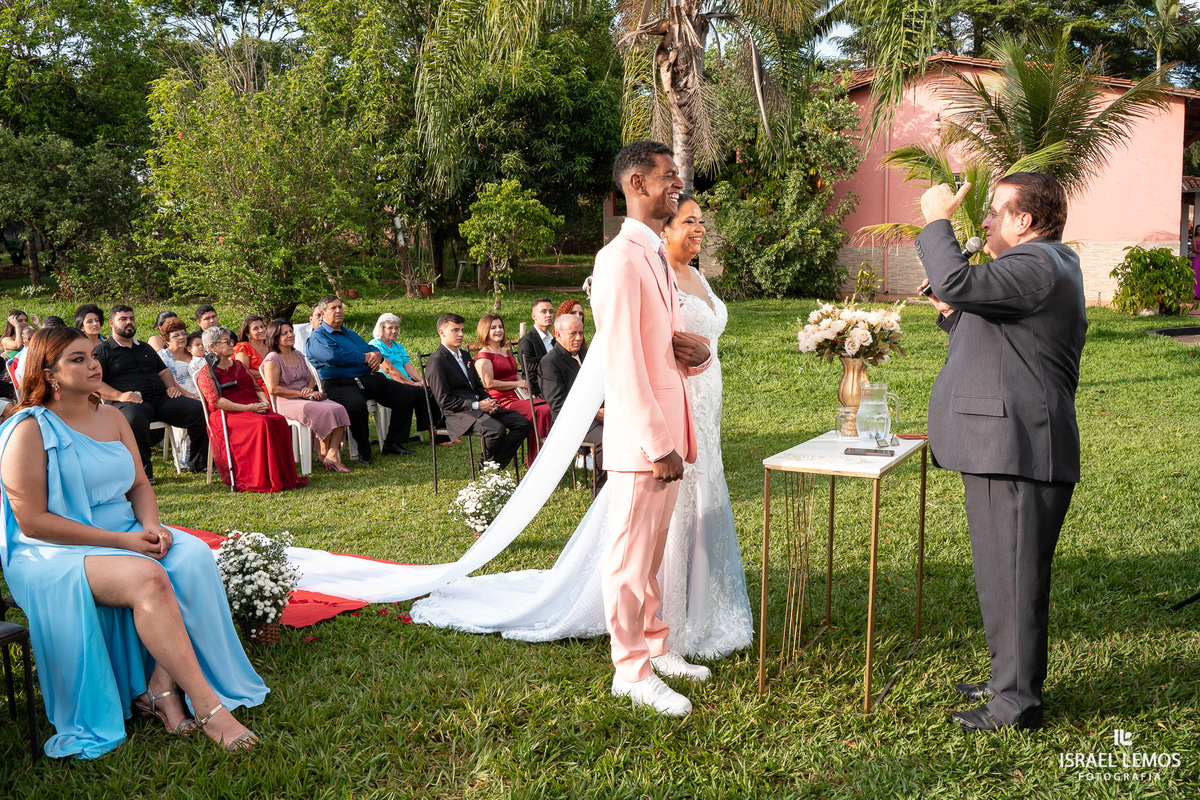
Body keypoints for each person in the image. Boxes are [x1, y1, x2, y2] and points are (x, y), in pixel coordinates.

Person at [410, 154, 748, 698]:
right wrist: (657, 442)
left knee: (655, 554)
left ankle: (658, 645)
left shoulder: (656, 257)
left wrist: (699, 358)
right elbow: (622, 361)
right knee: (630, 557)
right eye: (669, 178)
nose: (677, 187)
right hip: (646, 438)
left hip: (677, 422)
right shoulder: (618, 259)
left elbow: (665, 348)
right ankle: (631, 670)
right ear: (637, 183)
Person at [0, 326, 266, 758]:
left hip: (124, 528)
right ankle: (207, 706)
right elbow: (32, 522)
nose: (93, 364)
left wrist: (153, 525)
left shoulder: (112, 415)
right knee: (148, 576)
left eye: (92, 356)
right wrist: (123, 542)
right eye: (78, 359)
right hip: (53, 548)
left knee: (193, 556)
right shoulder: (27, 430)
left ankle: (161, 687)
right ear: (47, 373)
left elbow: (140, 484)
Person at [916, 173, 1086, 733]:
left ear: (1026, 222)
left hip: (1018, 447)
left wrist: (937, 217)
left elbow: (958, 278)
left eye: (995, 211)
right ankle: (1006, 680)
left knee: (1013, 576)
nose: (984, 221)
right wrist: (951, 309)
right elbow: (996, 337)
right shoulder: (1043, 266)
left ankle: (1016, 705)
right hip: (1005, 444)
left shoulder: (1038, 263)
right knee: (1000, 574)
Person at [94, 305, 209, 481]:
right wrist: (120, 396)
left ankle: (199, 464)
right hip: (129, 402)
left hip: (161, 399)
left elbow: (163, 372)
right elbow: (94, 383)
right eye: (123, 319)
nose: (129, 322)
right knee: (133, 420)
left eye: (131, 318)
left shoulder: (145, 348)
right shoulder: (102, 351)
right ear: (111, 323)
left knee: (198, 409)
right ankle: (144, 474)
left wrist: (171, 386)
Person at [305, 296, 418, 462]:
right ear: (322, 313)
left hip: (367, 378)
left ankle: (393, 443)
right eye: (333, 308)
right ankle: (364, 453)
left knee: (407, 394)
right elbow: (334, 357)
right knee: (356, 406)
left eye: (340, 307)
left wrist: (377, 354)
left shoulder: (348, 333)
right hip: (339, 385)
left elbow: (369, 347)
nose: (338, 311)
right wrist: (365, 358)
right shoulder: (318, 337)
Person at [196, 326, 305, 492]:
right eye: (227, 342)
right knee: (262, 424)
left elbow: (257, 387)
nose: (231, 344)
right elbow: (216, 401)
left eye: (231, 340)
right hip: (228, 412)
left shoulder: (238, 364)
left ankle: (283, 476)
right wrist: (248, 408)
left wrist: (265, 403)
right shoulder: (206, 372)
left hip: (253, 406)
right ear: (213, 347)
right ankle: (264, 478)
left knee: (278, 420)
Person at [425, 313, 531, 471]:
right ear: (442, 332)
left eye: (462, 330)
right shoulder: (436, 361)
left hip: (480, 406)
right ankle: (488, 467)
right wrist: (477, 405)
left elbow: (478, 386)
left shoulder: (465, 355)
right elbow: (443, 400)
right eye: (455, 330)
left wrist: (489, 401)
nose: (461, 334)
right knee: (496, 430)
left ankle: (491, 465)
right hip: (457, 413)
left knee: (523, 423)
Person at [261, 318, 352, 473]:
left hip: (305, 396)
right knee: (327, 411)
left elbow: (309, 379)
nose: (290, 335)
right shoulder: (272, 359)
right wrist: (300, 393)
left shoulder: (298, 354)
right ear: (275, 338)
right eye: (284, 333)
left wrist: (309, 390)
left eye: (291, 331)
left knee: (339, 408)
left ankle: (329, 454)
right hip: (287, 400)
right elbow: (274, 389)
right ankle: (326, 453)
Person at [474, 314, 551, 467]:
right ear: (485, 331)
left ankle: (545, 455)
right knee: (541, 410)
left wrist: (523, 385)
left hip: (518, 397)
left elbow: (514, 373)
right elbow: (489, 383)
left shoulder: (505, 351)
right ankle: (535, 461)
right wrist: (516, 385)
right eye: (493, 327)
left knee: (547, 406)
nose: (498, 330)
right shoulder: (483, 356)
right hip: (501, 400)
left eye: (500, 327)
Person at [537, 313, 604, 488]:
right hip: (572, 421)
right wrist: (595, 413)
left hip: (597, 414)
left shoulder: (586, 354)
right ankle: (599, 488)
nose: (578, 338)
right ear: (558, 335)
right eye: (572, 333)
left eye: (581, 333)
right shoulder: (550, 362)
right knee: (606, 438)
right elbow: (558, 405)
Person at [368, 313, 433, 442]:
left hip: (404, 380)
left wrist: (421, 380)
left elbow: (408, 366)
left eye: (396, 328)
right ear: (381, 328)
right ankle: (430, 433)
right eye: (390, 328)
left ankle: (435, 432)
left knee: (430, 389)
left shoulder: (398, 346)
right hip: (389, 382)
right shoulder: (375, 345)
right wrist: (411, 383)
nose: (394, 331)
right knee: (418, 391)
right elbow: (389, 370)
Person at [155, 318, 201, 470]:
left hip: (199, 390)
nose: (181, 337)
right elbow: (171, 381)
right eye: (176, 335)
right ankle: (187, 460)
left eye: (183, 333)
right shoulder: (164, 355)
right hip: (178, 393)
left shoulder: (192, 351)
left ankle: (209, 457)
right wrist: (188, 395)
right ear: (166, 339)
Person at [516, 297, 555, 397]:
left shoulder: (554, 340)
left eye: (551, 312)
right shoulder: (527, 342)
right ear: (534, 316)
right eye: (543, 311)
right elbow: (531, 377)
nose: (548, 315)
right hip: (540, 393)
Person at [233, 315, 269, 393]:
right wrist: (268, 373)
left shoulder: (270, 346)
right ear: (248, 334)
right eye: (256, 329)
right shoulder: (244, 348)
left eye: (262, 327)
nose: (261, 330)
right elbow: (242, 372)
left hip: (273, 382)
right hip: (255, 387)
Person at [1191, 223, 1200, 300]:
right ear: (1196, 231)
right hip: (1197, 258)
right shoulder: (1194, 239)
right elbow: (1195, 249)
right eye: (1199, 229)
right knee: (1196, 275)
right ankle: (1196, 294)